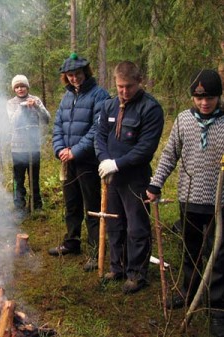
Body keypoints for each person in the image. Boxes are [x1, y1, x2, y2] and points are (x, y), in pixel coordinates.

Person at [146, 69, 224, 336]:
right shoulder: (182, 121)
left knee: (217, 256)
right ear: (193, 97)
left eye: (210, 97)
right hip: (189, 199)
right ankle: (189, 295)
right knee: (190, 251)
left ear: (218, 97)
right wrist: (156, 183)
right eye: (199, 97)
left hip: (219, 203)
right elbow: (169, 154)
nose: (204, 103)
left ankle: (217, 309)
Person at [95, 61, 164, 293]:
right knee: (114, 222)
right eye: (120, 86)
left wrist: (117, 163)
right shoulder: (109, 106)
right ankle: (118, 267)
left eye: (129, 87)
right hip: (111, 177)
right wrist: (105, 160)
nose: (124, 92)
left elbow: (145, 147)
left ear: (139, 81)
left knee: (136, 226)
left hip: (136, 178)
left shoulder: (150, 109)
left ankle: (137, 274)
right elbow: (100, 136)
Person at [49, 53, 110, 273]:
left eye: (77, 74)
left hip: (88, 161)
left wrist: (75, 151)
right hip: (69, 160)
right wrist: (60, 150)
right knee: (71, 203)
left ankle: (95, 251)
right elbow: (57, 125)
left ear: (86, 72)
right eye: (70, 75)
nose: (74, 78)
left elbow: (98, 129)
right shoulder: (67, 97)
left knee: (92, 207)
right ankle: (71, 242)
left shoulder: (99, 95)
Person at [6, 75, 50, 216]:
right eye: (17, 87)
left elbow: (46, 119)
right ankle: (19, 206)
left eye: (22, 86)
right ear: (14, 89)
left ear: (27, 87)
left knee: (34, 178)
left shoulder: (35, 100)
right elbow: (12, 122)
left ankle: (36, 206)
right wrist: (22, 107)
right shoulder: (11, 103)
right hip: (18, 147)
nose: (20, 89)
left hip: (34, 146)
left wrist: (36, 107)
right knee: (18, 179)